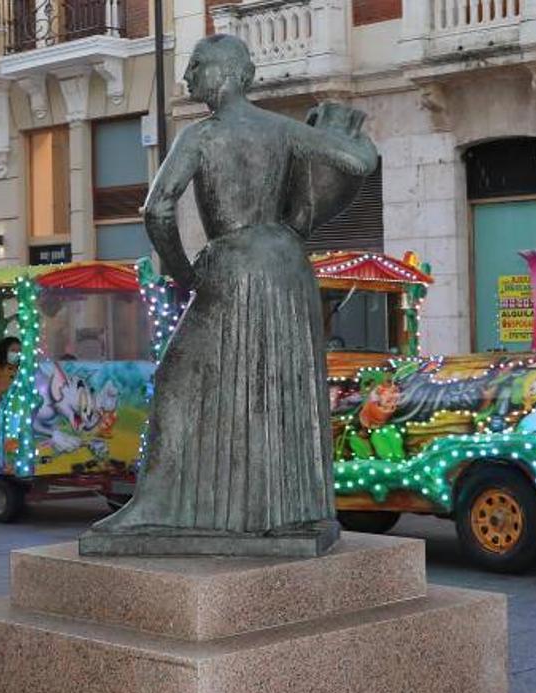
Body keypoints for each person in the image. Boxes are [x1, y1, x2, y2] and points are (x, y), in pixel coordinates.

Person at [89, 34, 378, 544]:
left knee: (179, 379)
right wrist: (356, 139)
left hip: (235, 264)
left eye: (196, 67)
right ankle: (288, 511)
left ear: (224, 73)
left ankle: (155, 505)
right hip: (286, 266)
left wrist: (184, 275)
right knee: (275, 385)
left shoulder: (201, 137)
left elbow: (157, 210)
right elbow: (359, 162)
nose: (188, 78)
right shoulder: (282, 130)